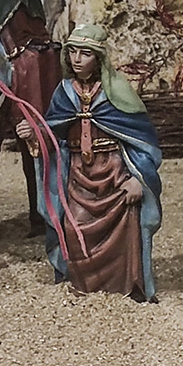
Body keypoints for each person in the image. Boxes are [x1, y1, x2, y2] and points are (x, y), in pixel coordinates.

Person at [16, 24, 162, 301]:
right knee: (75, 228)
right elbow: (54, 131)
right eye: (73, 52)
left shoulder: (117, 91)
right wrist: (34, 133)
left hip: (114, 174)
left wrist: (138, 178)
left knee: (124, 231)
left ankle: (126, 286)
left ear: (99, 58)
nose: (77, 59)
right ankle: (84, 285)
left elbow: (143, 140)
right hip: (79, 175)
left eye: (85, 53)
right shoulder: (65, 92)